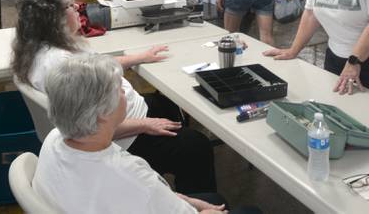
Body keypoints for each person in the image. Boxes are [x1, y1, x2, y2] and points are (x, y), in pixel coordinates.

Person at [10, 0, 216, 194]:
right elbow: (90, 129)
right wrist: (145, 124)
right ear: (54, 19)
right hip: (124, 135)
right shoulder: (60, 64)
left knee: (171, 104)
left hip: (123, 116)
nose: (77, 9)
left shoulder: (39, 51)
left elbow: (95, 67)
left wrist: (139, 57)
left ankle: (172, 171)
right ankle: (196, 201)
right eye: (71, 6)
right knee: (196, 146)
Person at [34, 53, 260, 214]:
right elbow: (150, 193)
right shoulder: (132, 176)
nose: (125, 91)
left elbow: (158, 197)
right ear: (102, 112)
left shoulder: (54, 139)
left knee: (212, 198)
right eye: (118, 89)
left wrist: (186, 200)